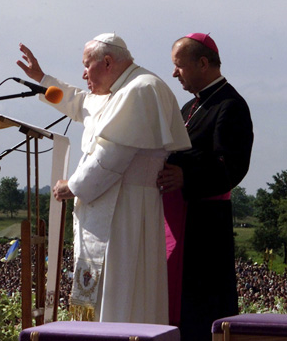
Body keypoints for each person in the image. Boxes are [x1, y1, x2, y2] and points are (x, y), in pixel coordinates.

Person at [17, 33, 191, 324]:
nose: (83, 73)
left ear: (107, 62)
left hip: (126, 212)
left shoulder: (141, 89)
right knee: (107, 295)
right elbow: (76, 102)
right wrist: (41, 79)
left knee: (122, 295)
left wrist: (72, 186)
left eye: (87, 65)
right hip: (113, 206)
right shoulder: (119, 90)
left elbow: (112, 155)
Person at [157, 33, 254, 340]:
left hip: (206, 226)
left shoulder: (230, 105)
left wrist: (187, 177)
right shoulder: (189, 107)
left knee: (201, 307)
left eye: (178, 66)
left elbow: (232, 166)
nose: (174, 74)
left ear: (202, 63)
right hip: (177, 216)